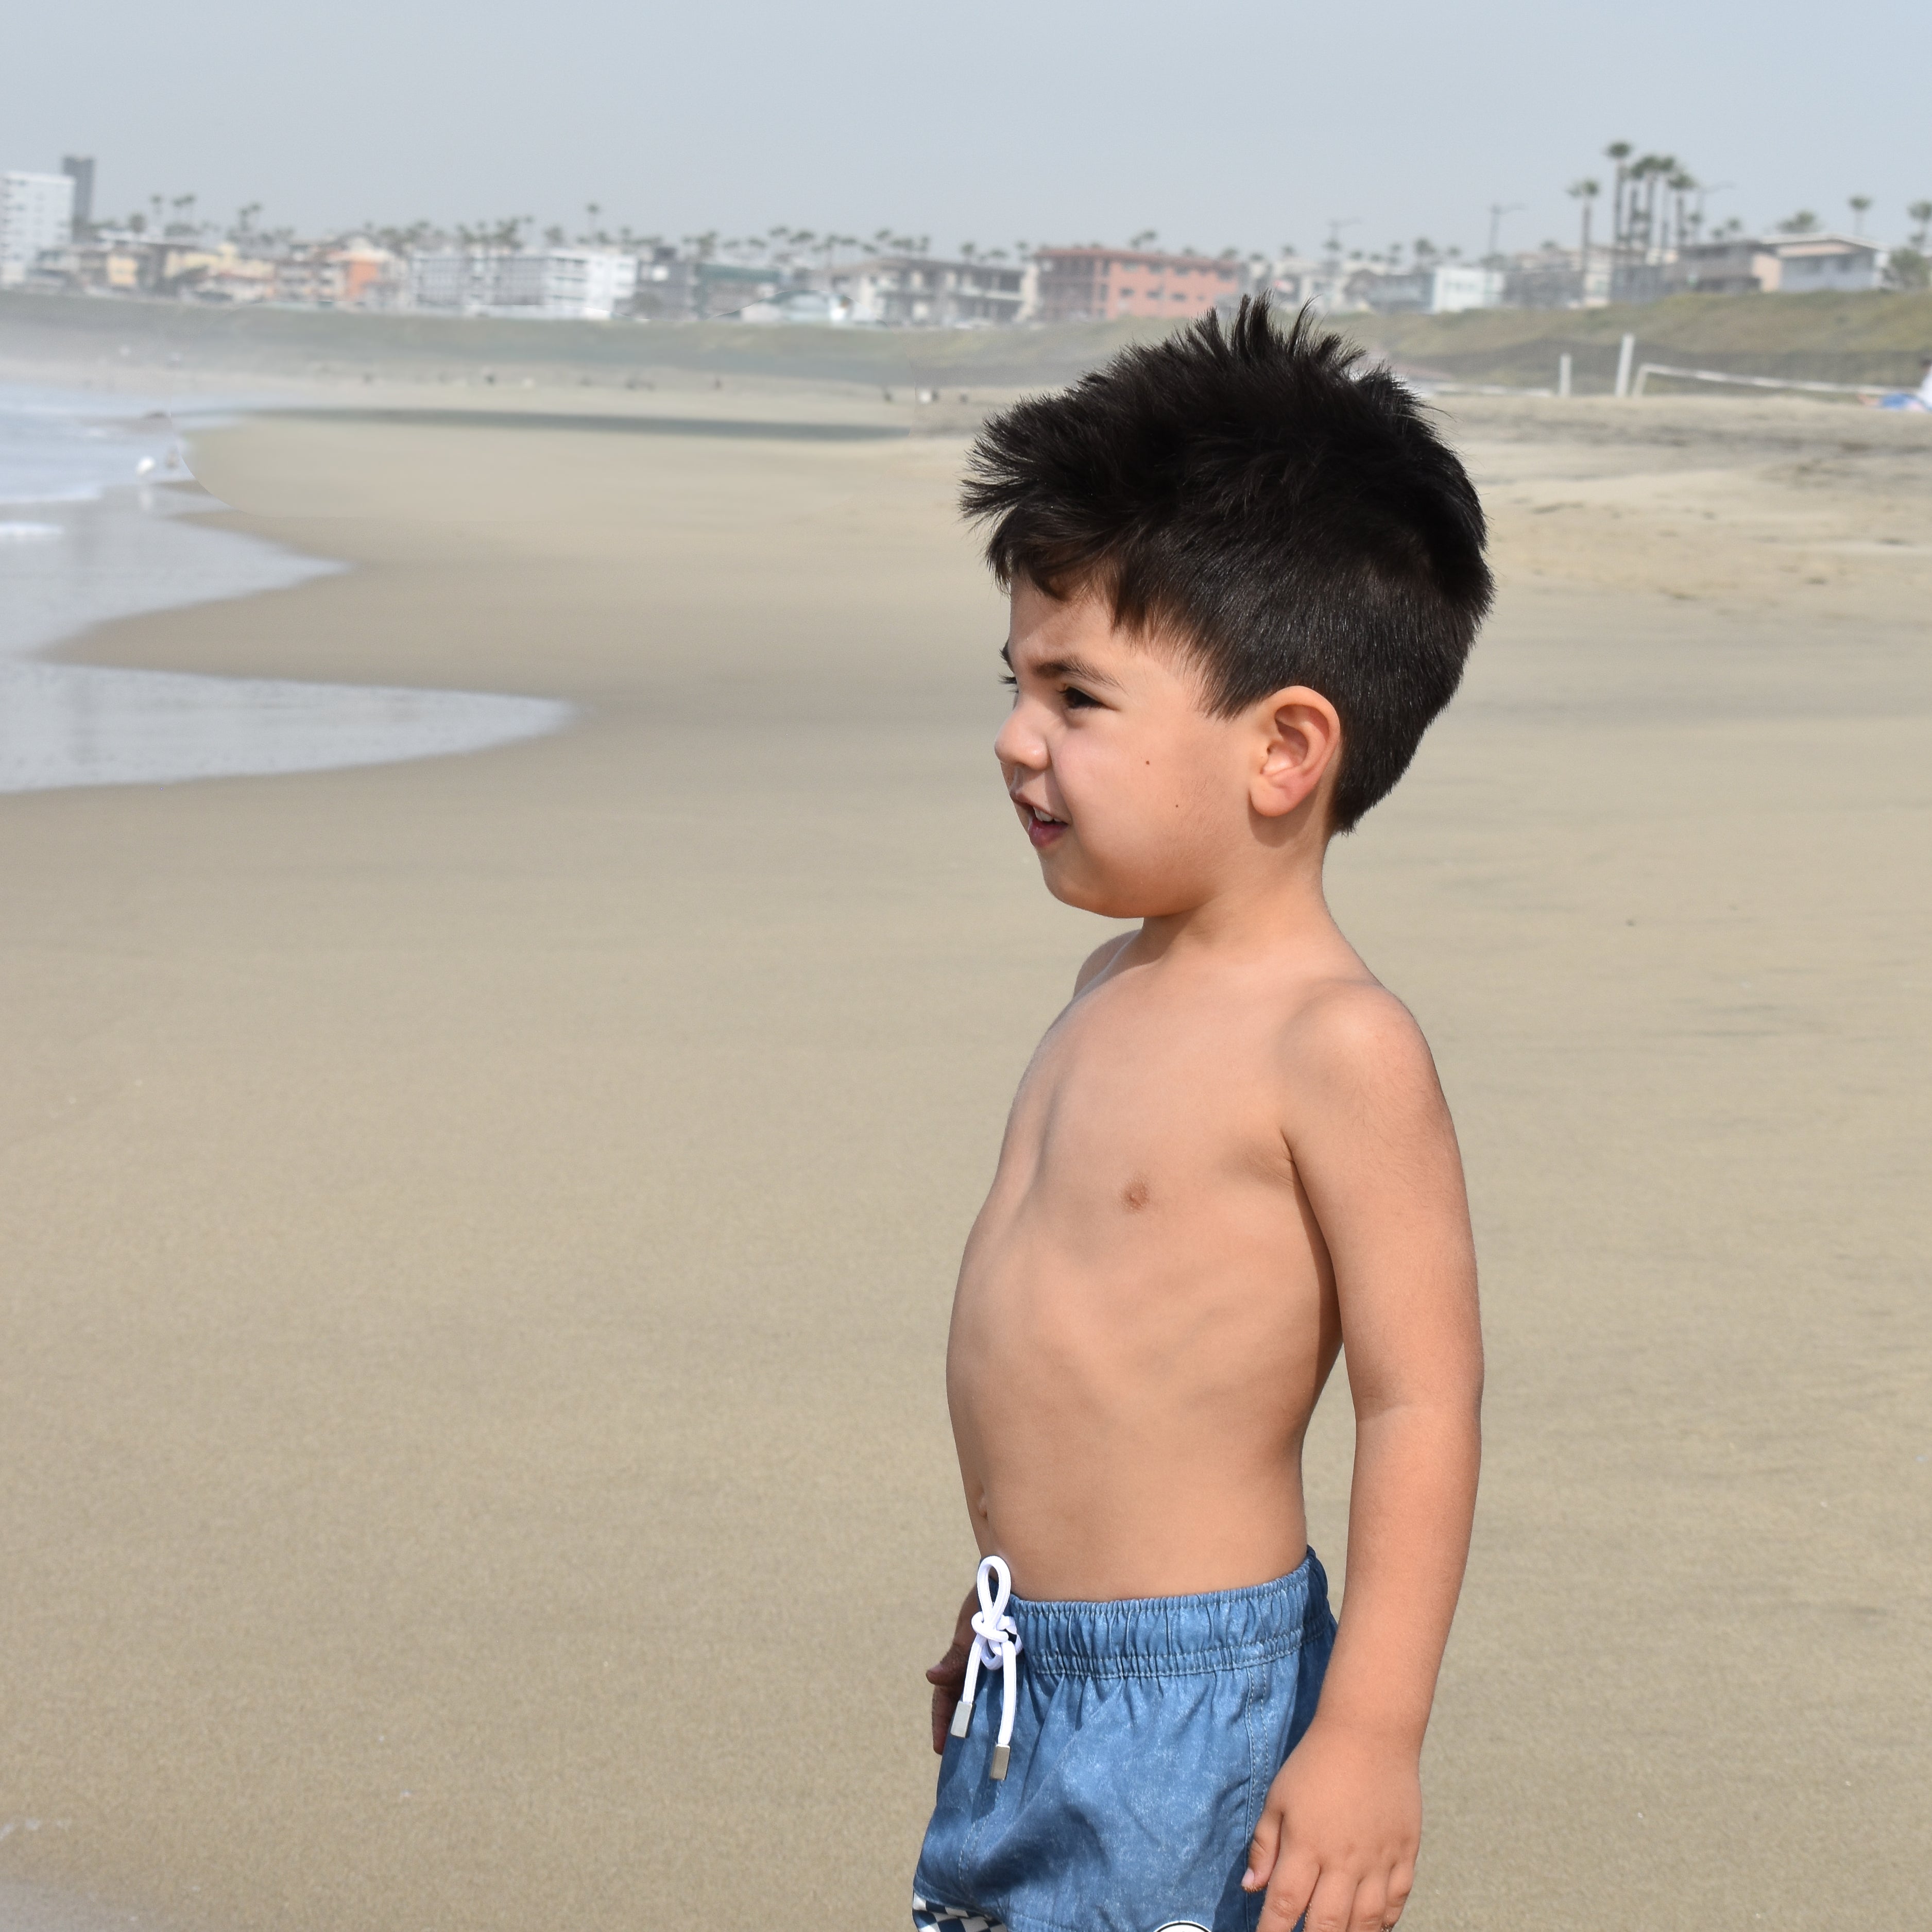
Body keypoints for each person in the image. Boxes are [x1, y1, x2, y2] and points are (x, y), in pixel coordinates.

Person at [915, 300, 1491, 1932]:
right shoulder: (1108, 982)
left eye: (1078, 698)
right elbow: (1077, 1358)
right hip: (1042, 1670)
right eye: (1016, 682)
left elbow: (1421, 1406)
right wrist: (1001, 1600)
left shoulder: (1338, 1046)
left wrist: (1371, 1734)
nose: (1018, 738)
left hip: (1196, 1709)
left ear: (1284, 749)